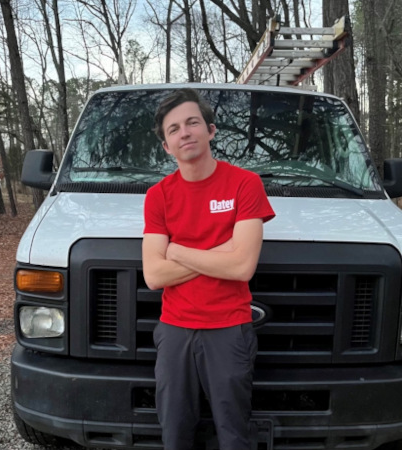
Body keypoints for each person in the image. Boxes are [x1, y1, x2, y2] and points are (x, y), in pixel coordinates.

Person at [142, 88, 275, 450]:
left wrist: (176, 250)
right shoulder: (158, 196)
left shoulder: (245, 184)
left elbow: (243, 266)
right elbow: (154, 275)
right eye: (173, 129)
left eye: (192, 122)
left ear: (211, 130)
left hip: (229, 328)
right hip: (174, 332)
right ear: (167, 146)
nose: (184, 132)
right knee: (174, 432)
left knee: (233, 433)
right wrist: (221, 253)